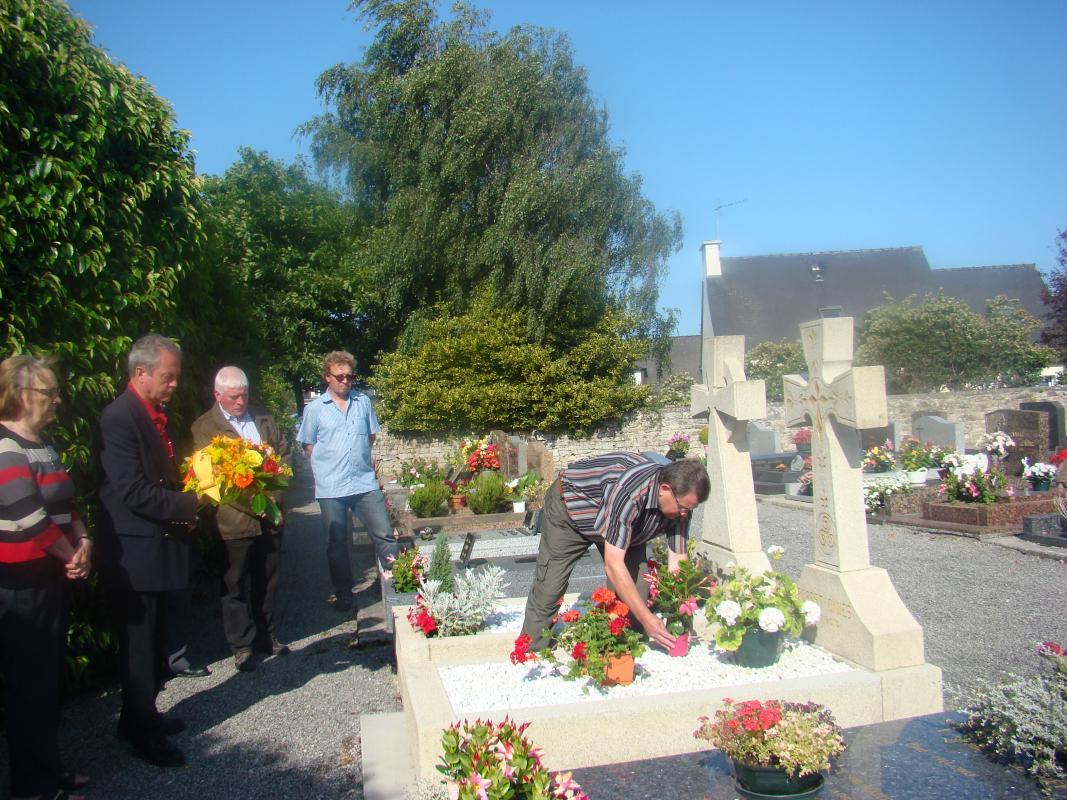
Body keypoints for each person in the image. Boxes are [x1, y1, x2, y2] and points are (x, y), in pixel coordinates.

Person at [94, 334, 199, 768]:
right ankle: (144, 735)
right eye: (167, 377)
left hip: (155, 547)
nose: (174, 384)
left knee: (153, 641)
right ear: (140, 373)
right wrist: (192, 503)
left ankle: (137, 717)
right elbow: (133, 492)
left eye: (175, 377)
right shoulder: (119, 418)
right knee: (138, 647)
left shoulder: (155, 414)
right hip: (134, 552)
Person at [0, 355, 91, 800]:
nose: (57, 400)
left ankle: (49, 769)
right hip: (20, 583)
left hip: (51, 574)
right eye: (47, 392)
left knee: (47, 679)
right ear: (20, 395)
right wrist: (70, 553)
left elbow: (66, 503)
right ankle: (32, 786)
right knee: (28, 685)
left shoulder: (41, 443)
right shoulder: (5, 446)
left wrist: (83, 539)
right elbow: (31, 518)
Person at [519, 453, 710, 651]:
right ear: (664, 489)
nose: (684, 514)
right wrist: (648, 619)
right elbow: (613, 565)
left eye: (690, 509)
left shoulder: (682, 504)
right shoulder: (630, 491)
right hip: (572, 512)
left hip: (623, 527)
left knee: (637, 589)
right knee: (550, 586)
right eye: (683, 508)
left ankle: (627, 649)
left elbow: (678, 561)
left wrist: (681, 617)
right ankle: (532, 651)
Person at [191, 366, 291, 672]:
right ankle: (242, 645)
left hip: (269, 514)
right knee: (234, 584)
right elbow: (214, 478)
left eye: (244, 395)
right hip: (233, 520)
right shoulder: (205, 427)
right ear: (217, 395)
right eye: (234, 396)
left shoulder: (263, 418)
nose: (240, 402)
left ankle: (266, 635)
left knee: (267, 579)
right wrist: (256, 504)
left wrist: (272, 499)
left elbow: (284, 455)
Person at [297, 351, 398, 613]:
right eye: (339, 376)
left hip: (364, 483)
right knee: (337, 544)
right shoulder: (315, 410)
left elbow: (370, 437)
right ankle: (344, 594)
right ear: (326, 377)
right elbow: (308, 445)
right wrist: (331, 463)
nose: (345, 381)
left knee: (384, 533)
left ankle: (395, 582)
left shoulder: (363, 402)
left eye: (349, 376)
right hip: (331, 487)